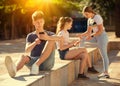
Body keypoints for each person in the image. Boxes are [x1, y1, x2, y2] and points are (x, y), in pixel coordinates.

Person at [5, 10, 61, 78]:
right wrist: (35, 43)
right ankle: (14, 70)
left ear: (44, 22)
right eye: (37, 22)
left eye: (41, 22)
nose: (39, 24)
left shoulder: (49, 34)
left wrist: (47, 37)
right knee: (23, 57)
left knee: (51, 40)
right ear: (33, 22)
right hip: (34, 62)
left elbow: (61, 38)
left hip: (47, 62)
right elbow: (27, 50)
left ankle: (37, 64)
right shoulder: (30, 36)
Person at [78, 6, 110, 78]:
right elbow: (88, 31)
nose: (86, 16)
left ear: (90, 12)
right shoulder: (89, 20)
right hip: (95, 36)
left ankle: (106, 72)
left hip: (102, 37)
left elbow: (100, 30)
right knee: (82, 39)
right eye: (84, 14)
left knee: (104, 54)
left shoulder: (97, 17)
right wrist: (81, 35)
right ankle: (80, 52)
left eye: (86, 14)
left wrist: (91, 36)